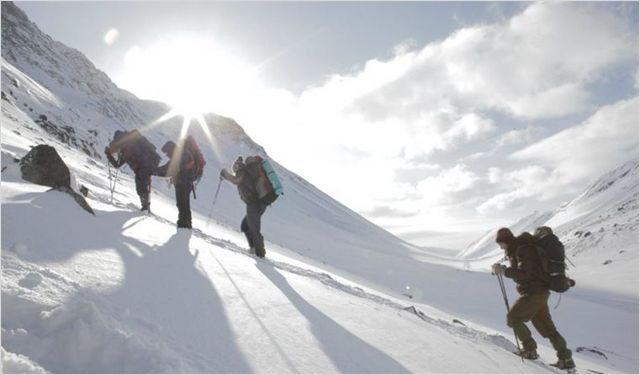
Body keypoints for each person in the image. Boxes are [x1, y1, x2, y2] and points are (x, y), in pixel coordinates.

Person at [492, 228, 575, 370]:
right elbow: (529, 271)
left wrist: (504, 271)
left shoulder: (522, 249)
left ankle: (530, 350)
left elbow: (526, 274)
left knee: (513, 318)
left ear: (504, 241)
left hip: (533, 293)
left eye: (500, 244)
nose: (500, 247)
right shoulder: (519, 248)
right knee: (547, 327)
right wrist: (504, 269)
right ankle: (566, 359)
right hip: (539, 293)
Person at [220, 156, 268, 258]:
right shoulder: (249, 171)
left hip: (254, 203)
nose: (234, 170)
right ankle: (254, 248)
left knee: (253, 228)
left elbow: (237, 180)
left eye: (234, 168)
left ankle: (260, 253)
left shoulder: (241, 168)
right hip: (259, 202)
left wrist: (225, 174)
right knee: (246, 226)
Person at [105, 130, 160, 211]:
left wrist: (109, 154)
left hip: (145, 165)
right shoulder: (124, 150)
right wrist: (109, 155)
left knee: (142, 185)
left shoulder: (130, 144)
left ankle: (145, 207)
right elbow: (117, 165)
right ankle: (145, 207)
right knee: (140, 187)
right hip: (143, 166)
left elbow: (118, 164)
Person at [154, 140, 196, 229]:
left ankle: (183, 224)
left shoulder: (180, 155)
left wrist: (153, 171)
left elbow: (168, 170)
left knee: (181, 203)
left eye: (167, 153)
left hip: (182, 183)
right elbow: (167, 169)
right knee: (185, 203)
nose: (167, 155)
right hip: (186, 182)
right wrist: (153, 170)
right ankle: (187, 223)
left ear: (170, 149)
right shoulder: (180, 154)